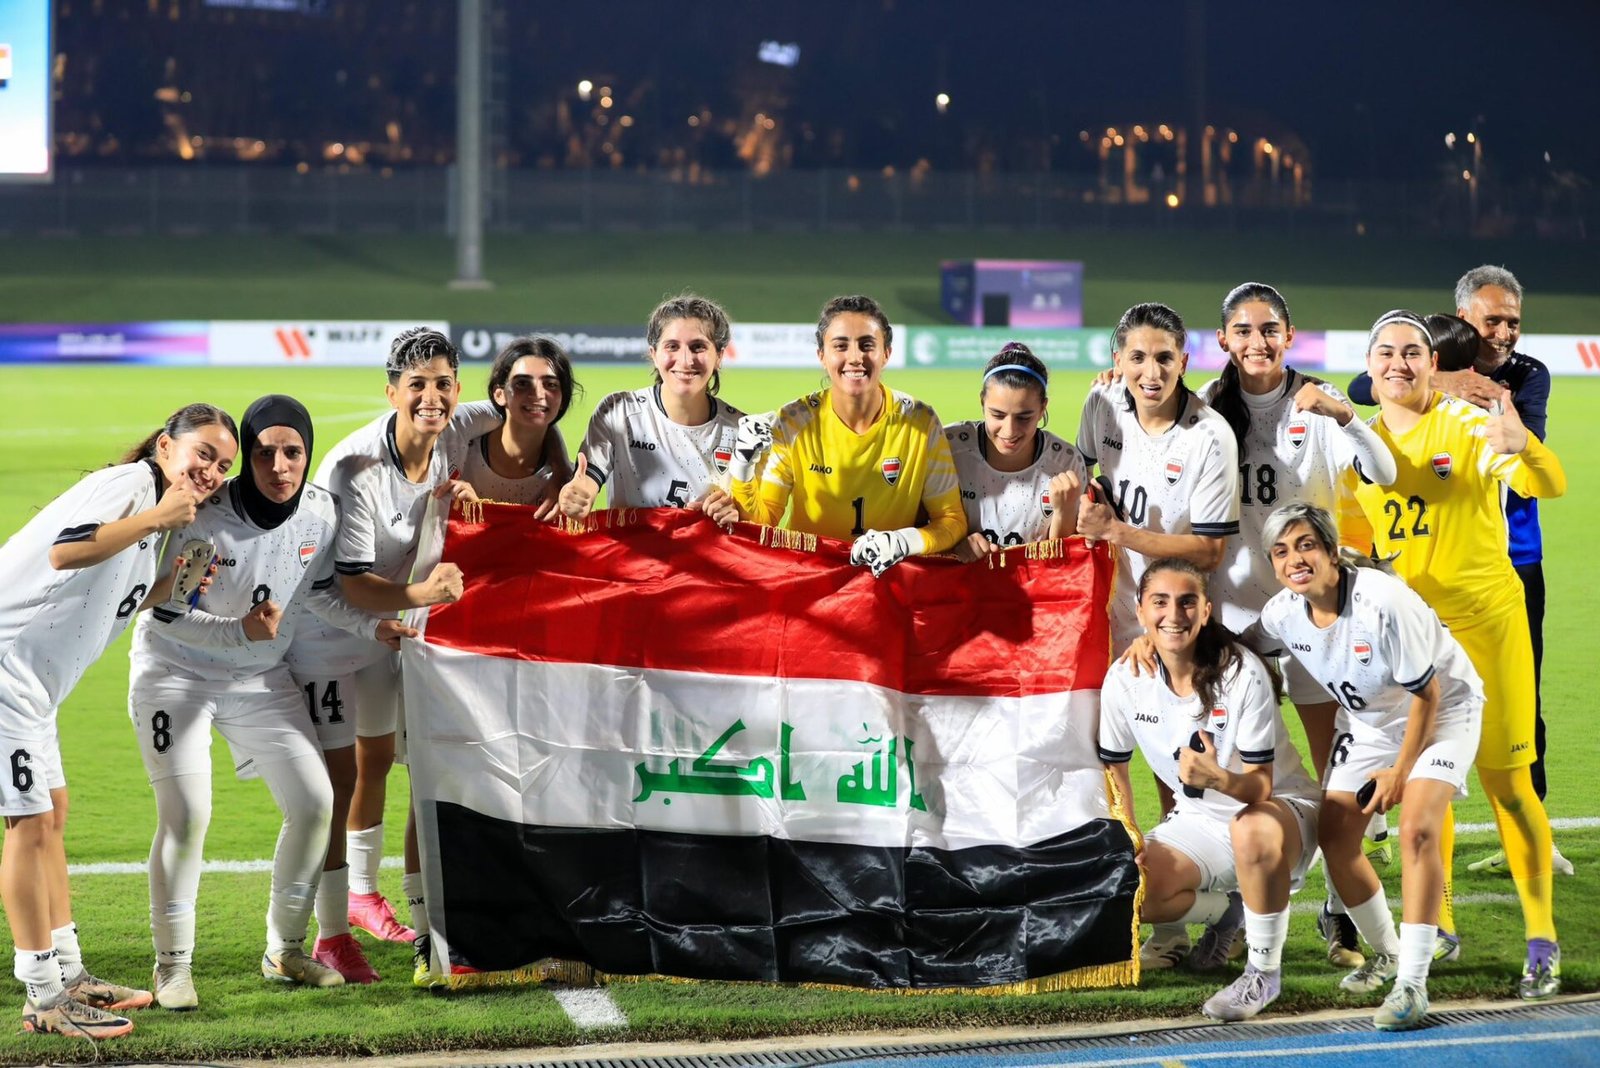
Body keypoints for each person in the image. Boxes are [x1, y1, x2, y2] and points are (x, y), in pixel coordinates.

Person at [131, 396, 417, 1006]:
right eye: (264, 454)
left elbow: (318, 595)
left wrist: (373, 628)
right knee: (187, 814)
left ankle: (284, 950)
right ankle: (172, 967)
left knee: (316, 802)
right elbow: (165, 614)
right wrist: (241, 631)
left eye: (293, 452)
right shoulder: (202, 518)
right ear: (247, 459)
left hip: (259, 677)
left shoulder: (320, 513)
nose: (280, 466)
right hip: (176, 674)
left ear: (308, 454)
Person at [0, 403, 237, 1039]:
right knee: (28, 824)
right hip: (5, 670)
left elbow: (117, 600)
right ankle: (44, 998)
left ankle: (69, 971)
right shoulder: (132, 488)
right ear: (165, 446)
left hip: (34, 689)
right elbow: (65, 553)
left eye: (222, 465)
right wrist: (157, 518)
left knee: (52, 813)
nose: (211, 471)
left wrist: (175, 587)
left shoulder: (153, 514)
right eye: (204, 454)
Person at [1354, 309, 1566, 998]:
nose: (1399, 363)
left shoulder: (1471, 424)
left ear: (1432, 363)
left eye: (1412, 352)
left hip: (1490, 628)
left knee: (1509, 785)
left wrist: (1525, 444)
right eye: (1386, 352)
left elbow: (1549, 484)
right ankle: (1439, 924)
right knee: (1428, 787)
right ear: (1370, 366)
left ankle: (1542, 941)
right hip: (1418, 644)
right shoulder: (1358, 444)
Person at [284, 328, 498, 989]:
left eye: (443, 384)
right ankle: (328, 937)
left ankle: (362, 896)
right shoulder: (357, 470)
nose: (432, 397)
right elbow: (347, 583)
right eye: (416, 386)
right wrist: (422, 595)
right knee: (334, 782)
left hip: (382, 632)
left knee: (378, 759)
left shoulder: (450, 432)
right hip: (324, 630)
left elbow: (516, 407)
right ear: (390, 392)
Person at [1198, 282, 1398, 970]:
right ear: (1223, 340)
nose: (1257, 342)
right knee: (1239, 777)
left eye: (1269, 330)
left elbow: (1383, 472)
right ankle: (1238, 908)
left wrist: (1347, 415)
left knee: (1340, 773)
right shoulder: (1206, 405)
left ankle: (1340, 911)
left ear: (1290, 335)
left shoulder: (1316, 403)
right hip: (1236, 620)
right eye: (1243, 330)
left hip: (1315, 617)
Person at [1248, 503, 1483, 1030]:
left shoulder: (1382, 601)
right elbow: (1242, 647)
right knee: (1336, 837)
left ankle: (1413, 985)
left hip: (1444, 711)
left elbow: (1427, 693)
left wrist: (1401, 771)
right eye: (1281, 552)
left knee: (1417, 829)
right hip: (1370, 724)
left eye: (1306, 545)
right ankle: (1389, 954)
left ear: (1332, 552)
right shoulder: (1283, 612)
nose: (1295, 559)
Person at [1075, 302, 1239, 969]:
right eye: (1137, 358)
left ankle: (1213, 908)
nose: (1150, 372)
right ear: (1118, 361)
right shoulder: (1100, 405)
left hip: (1173, 621)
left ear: (1184, 361)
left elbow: (1209, 551)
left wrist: (1121, 536)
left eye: (1163, 358)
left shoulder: (1209, 436)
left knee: (1177, 773)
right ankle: (1156, 917)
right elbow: (1087, 482)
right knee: (1108, 758)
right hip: (1107, 613)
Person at [1098, 559, 1319, 1022]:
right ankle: (1227, 911)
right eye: (1159, 602)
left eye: (1186, 602)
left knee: (1250, 827)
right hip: (1200, 821)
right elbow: (1114, 766)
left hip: (1280, 812)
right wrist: (1129, 837)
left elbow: (1259, 787)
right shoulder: (1125, 678)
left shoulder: (1241, 672)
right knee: (1128, 888)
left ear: (1205, 611)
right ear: (1140, 611)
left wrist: (1216, 778)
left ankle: (1263, 974)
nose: (1173, 614)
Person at [730, 294, 966, 574]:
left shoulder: (921, 422)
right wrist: (742, 468)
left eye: (867, 345)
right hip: (811, 580)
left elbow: (951, 520)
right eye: (841, 346)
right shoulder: (793, 422)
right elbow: (762, 523)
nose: (855, 358)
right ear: (822, 355)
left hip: (887, 582)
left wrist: (904, 541)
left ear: (886, 353)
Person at [558, 294, 743, 527]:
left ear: (719, 356)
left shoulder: (743, 431)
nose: (685, 360)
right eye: (672, 346)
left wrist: (735, 515)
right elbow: (586, 482)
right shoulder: (619, 411)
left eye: (698, 347)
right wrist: (578, 494)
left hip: (701, 552)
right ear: (654, 354)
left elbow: (753, 515)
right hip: (631, 551)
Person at [945, 342, 1085, 559]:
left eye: (1024, 418)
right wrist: (953, 549)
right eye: (998, 415)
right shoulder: (949, 447)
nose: (1009, 431)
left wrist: (1064, 512)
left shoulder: (1066, 463)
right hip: (960, 581)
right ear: (982, 402)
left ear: (1043, 408)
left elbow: (1065, 564)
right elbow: (920, 526)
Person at [461, 336, 577, 508]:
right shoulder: (460, 454)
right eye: (522, 383)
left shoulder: (564, 484)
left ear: (562, 399)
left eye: (550, 384)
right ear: (499, 394)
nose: (538, 394)